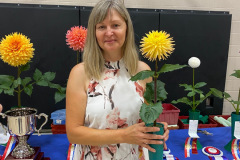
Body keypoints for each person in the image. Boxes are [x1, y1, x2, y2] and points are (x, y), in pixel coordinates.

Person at [66, 0, 169, 159]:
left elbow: (148, 120)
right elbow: (73, 133)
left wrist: (156, 129)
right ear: (94, 32)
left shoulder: (143, 71)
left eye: (115, 25)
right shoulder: (80, 73)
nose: (109, 32)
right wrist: (124, 135)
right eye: (101, 27)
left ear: (126, 28)